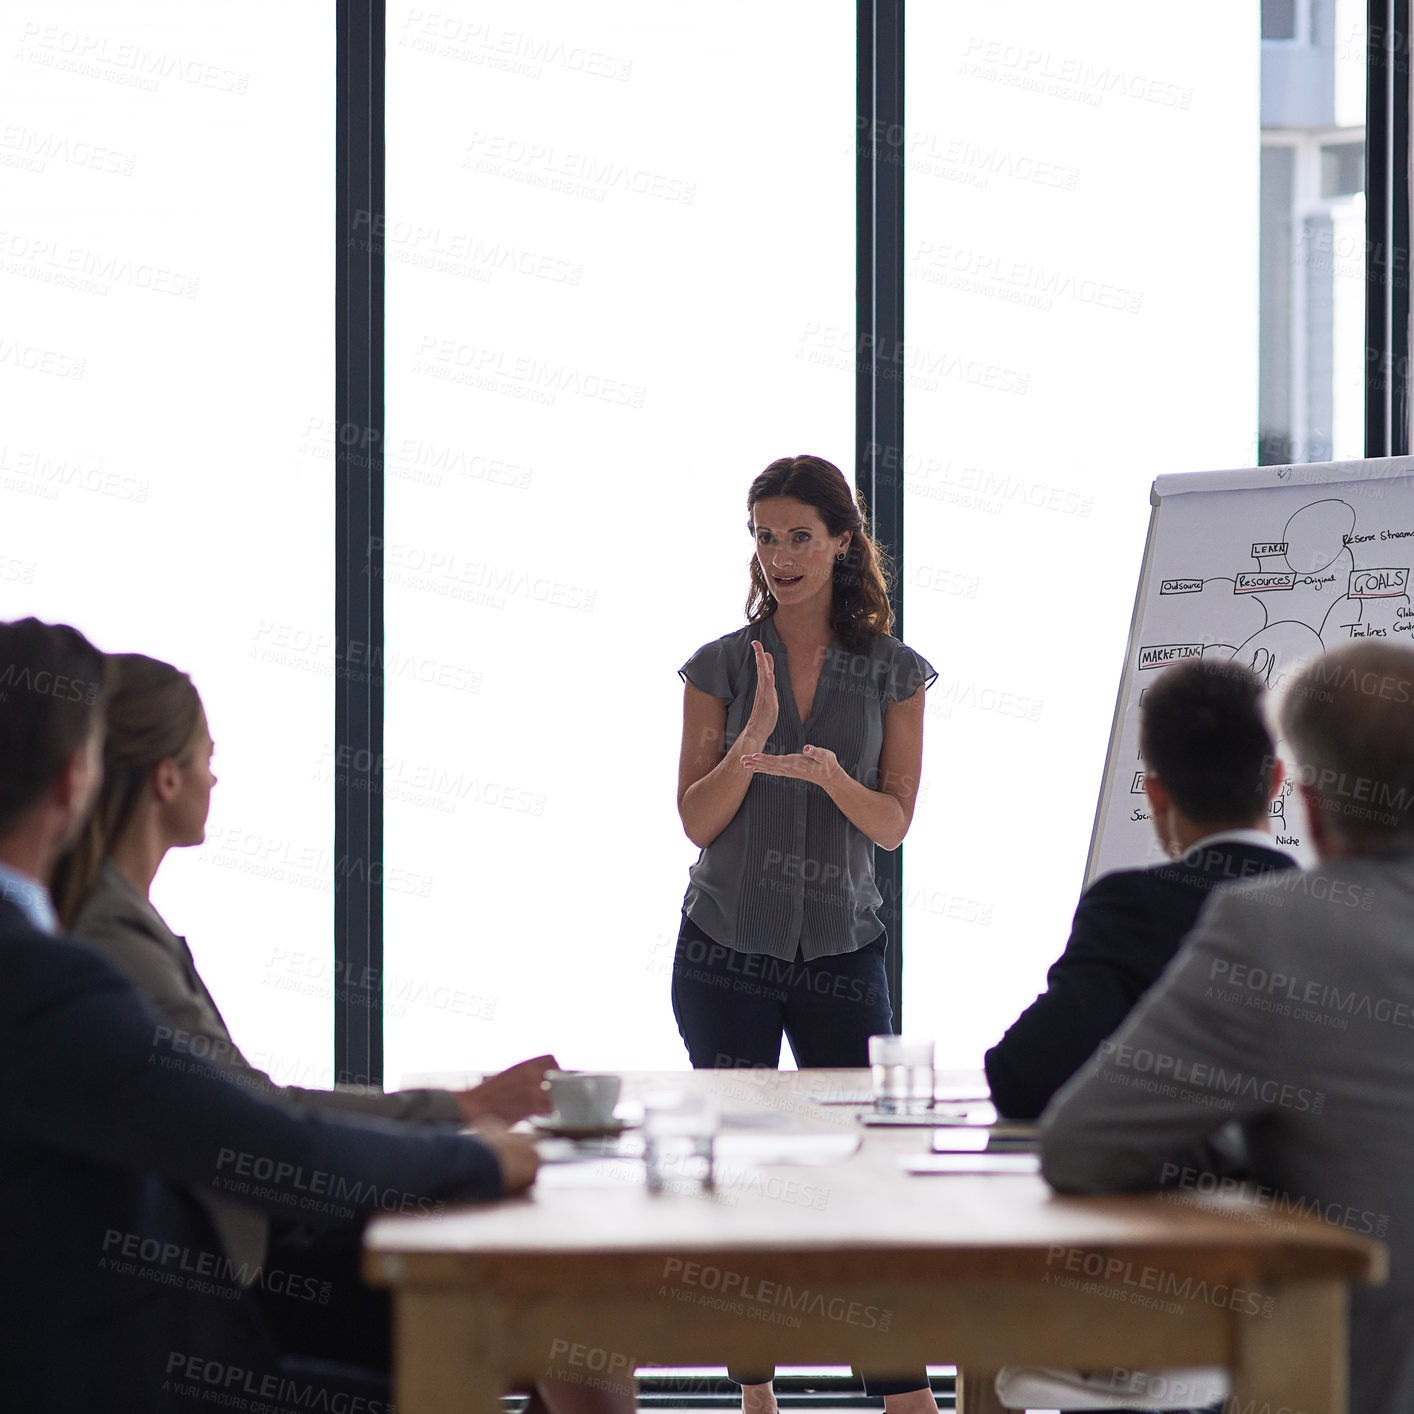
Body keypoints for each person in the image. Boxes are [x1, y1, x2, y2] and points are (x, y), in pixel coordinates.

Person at [0, 618, 538, 1412]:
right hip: (122, 1368)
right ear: (73, 779)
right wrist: (481, 1156)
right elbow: (261, 1140)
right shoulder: (55, 980)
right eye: (208, 757)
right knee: (460, 1376)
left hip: (110, 1338)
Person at [1041, 640, 1414, 1414]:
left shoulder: (1275, 930)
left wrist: (1247, 1137)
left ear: (1305, 802)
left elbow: (1083, 1145)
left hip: (1346, 1381)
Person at [672, 454, 936, 1414]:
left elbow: (894, 824)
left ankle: (903, 1395)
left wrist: (828, 775)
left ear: (840, 542)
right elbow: (698, 821)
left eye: (797, 535)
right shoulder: (719, 666)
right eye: (763, 534)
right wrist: (751, 743)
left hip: (840, 953)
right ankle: (755, 1397)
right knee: (741, 1180)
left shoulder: (895, 672)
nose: (777, 555)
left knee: (869, 1182)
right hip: (723, 951)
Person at [985, 656, 1297, 1120]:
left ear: (1155, 794)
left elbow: (1023, 1077)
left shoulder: (1132, 908)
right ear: (1275, 779)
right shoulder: (1339, 913)